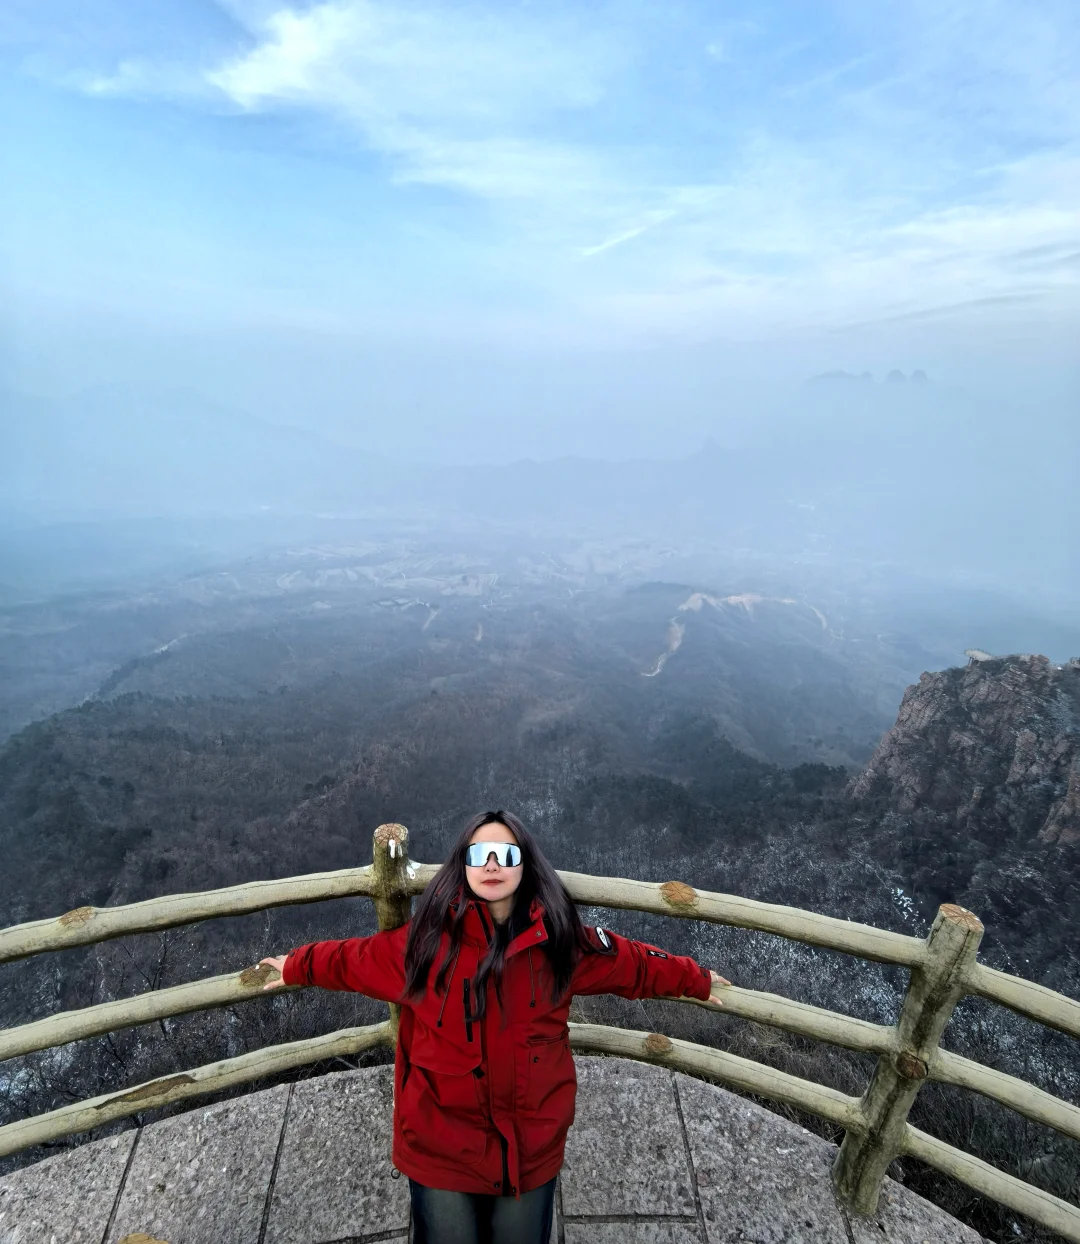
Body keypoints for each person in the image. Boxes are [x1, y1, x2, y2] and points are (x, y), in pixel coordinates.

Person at [260, 810, 729, 1244]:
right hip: (440, 1143)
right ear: (461, 866)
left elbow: (629, 964)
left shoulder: (559, 945)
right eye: (478, 855)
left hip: (529, 1145)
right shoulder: (424, 947)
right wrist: (296, 965)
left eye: (506, 855)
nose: (491, 865)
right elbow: (351, 960)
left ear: (526, 865)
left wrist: (695, 979)